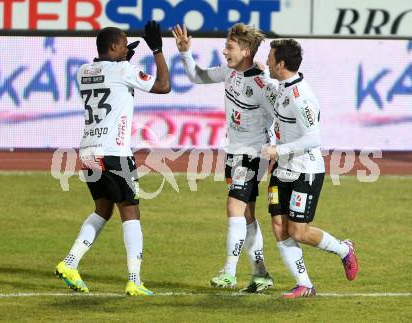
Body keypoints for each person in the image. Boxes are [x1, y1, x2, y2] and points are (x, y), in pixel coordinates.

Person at [55, 22, 171, 296]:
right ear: (114, 47)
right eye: (124, 44)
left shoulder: (83, 71)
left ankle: (70, 263)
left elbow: (107, 74)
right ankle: (134, 279)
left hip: (88, 151)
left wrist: (123, 59)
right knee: (130, 210)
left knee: (103, 208)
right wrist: (157, 49)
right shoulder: (123, 70)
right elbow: (163, 85)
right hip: (114, 152)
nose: (126, 47)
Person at [172, 23, 276, 293]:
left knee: (234, 207)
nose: (224, 51)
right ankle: (260, 274)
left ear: (245, 50)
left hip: (253, 154)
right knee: (247, 214)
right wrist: (185, 53)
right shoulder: (230, 72)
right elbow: (197, 76)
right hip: (235, 151)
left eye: (229, 47)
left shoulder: (262, 83)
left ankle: (229, 272)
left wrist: (278, 149)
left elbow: (281, 114)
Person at [261, 39, 359, 299]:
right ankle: (304, 284)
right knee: (279, 226)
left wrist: (277, 150)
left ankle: (343, 250)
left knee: (298, 231)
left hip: (305, 170)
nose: (268, 61)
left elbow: (313, 138)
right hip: (282, 170)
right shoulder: (283, 86)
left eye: (270, 58)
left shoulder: (301, 96)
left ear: (281, 64)